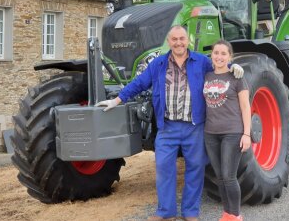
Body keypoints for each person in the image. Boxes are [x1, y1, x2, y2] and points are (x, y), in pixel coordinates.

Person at [95, 26, 244, 221]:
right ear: (169, 41)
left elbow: (220, 69)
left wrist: (234, 67)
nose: (178, 42)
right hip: (167, 127)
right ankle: (166, 212)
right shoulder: (158, 63)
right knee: (164, 167)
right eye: (174, 39)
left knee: (195, 168)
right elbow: (139, 83)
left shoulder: (201, 61)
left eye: (182, 38)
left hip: (194, 126)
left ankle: (190, 212)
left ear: (187, 40)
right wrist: (116, 100)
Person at [202, 40, 251, 221]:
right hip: (210, 133)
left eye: (224, 54)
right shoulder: (206, 76)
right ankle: (227, 213)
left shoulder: (237, 77)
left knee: (229, 177)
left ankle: (236, 215)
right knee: (220, 177)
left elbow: (246, 107)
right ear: (212, 55)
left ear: (230, 57)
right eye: (216, 53)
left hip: (232, 132)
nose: (219, 57)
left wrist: (246, 134)